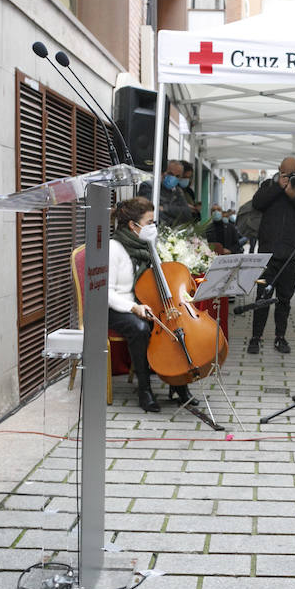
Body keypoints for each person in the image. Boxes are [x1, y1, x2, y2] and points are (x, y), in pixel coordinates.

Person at [247, 157, 295, 355]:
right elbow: (257, 203)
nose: (288, 177)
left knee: (284, 300)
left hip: (291, 255)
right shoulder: (269, 184)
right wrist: (278, 187)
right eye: (285, 173)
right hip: (267, 254)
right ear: (279, 170)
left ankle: (280, 337)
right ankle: (256, 336)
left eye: (292, 173)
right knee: (262, 297)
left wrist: (293, 194)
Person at [108, 198, 163, 413]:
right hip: (116, 308)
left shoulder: (146, 246)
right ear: (133, 225)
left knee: (171, 322)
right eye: (149, 222)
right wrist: (134, 308)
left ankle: (179, 385)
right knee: (140, 328)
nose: (153, 227)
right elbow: (107, 293)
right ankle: (145, 390)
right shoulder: (114, 248)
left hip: (140, 304)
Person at [154, 160, 196, 227]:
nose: (173, 178)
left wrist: (165, 208)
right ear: (163, 172)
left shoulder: (178, 192)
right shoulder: (152, 188)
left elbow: (187, 213)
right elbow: (155, 212)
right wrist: (175, 222)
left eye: (177, 176)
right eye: (171, 174)